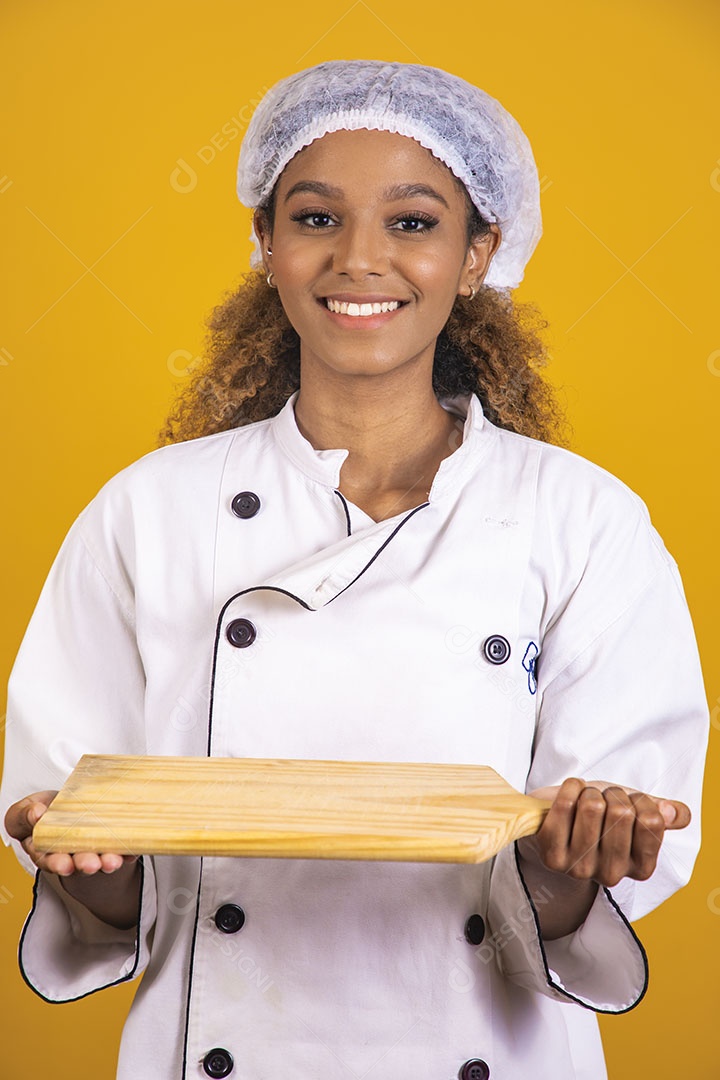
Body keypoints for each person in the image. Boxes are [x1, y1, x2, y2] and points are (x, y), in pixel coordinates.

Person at [0, 60, 709, 1080]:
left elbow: (580, 890)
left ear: (480, 254)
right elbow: (92, 853)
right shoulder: (149, 510)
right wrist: (78, 861)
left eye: (414, 223)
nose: (360, 259)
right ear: (267, 247)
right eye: (317, 218)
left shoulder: (586, 519)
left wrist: (576, 863)